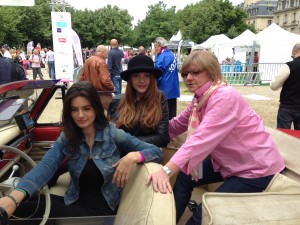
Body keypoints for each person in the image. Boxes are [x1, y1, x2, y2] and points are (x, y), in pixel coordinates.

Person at [146, 50, 285, 225]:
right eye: (185, 73)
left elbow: (200, 140)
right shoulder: (201, 98)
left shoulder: (224, 97)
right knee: (185, 174)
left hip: (255, 170)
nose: (188, 78)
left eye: (195, 72)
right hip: (229, 162)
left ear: (211, 72)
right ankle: (169, 221)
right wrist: (141, 139)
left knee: (207, 208)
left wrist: (165, 171)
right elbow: (176, 125)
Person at [0, 81, 163, 223]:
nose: (80, 115)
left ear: (96, 108)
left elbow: (156, 152)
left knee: (23, 212)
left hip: (100, 214)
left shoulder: (112, 134)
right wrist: (15, 196)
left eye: (86, 108)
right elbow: (46, 166)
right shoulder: (69, 137)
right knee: (25, 203)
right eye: (74, 109)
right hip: (74, 201)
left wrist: (133, 156)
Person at [107, 54, 170, 148]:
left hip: (147, 155)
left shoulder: (159, 98)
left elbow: (162, 138)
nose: (142, 80)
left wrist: (127, 141)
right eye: (136, 76)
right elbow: (111, 136)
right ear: (130, 79)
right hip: (119, 156)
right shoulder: (117, 101)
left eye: (147, 76)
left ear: (152, 78)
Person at [270, 43, 300, 130]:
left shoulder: (289, 65)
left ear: (294, 51)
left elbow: (274, 85)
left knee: (283, 134)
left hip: (288, 106)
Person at [153, 37, 180, 120]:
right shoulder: (172, 55)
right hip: (173, 88)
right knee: (172, 113)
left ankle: (164, 131)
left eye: (155, 47)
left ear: (160, 46)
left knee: (163, 114)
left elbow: (157, 74)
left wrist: (153, 85)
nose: (155, 49)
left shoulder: (162, 57)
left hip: (163, 88)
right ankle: (172, 129)